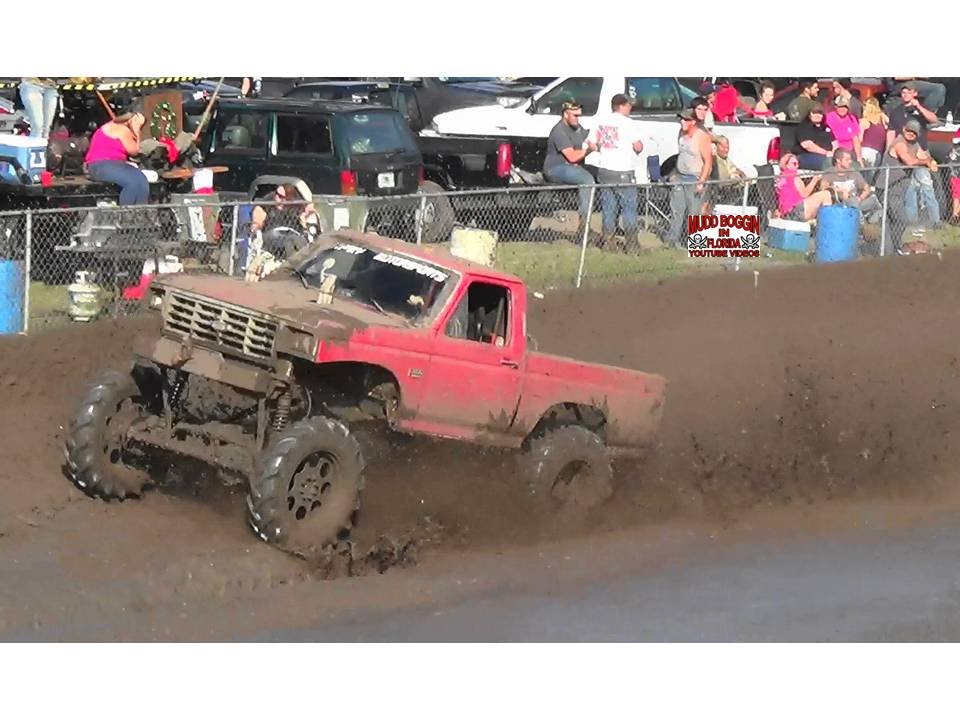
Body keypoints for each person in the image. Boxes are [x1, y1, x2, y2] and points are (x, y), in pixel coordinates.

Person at [586, 94, 644, 247]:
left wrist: (602, 149)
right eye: (629, 105)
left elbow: (591, 144)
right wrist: (638, 149)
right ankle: (632, 244)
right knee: (629, 208)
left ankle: (608, 241)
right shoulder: (628, 123)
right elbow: (638, 146)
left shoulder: (599, 121)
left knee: (608, 207)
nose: (631, 108)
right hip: (623, 170)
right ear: (621, 105)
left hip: (604, 170)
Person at [543, 100, 596, 234]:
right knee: (587, 180)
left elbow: (589, 137)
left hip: (572, 166)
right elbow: (572, 156)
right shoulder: (559, 131)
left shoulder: (577, 127)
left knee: (602, 173)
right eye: (575, 115)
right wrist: (589, 150)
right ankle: (584, 226)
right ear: (565, 114)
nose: (578, 118)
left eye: (579, 115)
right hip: (555, 168)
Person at [666, 108, 713, 247]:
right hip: (680, 176)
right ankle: (672, 240)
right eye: (681, 118)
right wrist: (674, 173)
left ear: (693, 121)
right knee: (677, 209)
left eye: (685, 119)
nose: (682, 121)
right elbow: (680, 154)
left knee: (693, 213)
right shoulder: (681, 134)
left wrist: (701, 182)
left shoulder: (702, 137)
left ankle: (692, 242)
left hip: (695, 178)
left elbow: (708, 161)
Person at [84, 111, 150, 206]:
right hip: (103, 165)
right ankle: (127, 214)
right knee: (132, 183)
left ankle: (139, 212)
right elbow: (134, 151)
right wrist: (137, 131)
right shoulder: (122, 129)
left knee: (141, 180)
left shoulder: (111, 126)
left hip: (109, 165)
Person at [888, 119, 940, 230]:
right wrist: (926, 162)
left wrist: (931, 161)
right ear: (903, 129)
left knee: (911, 196)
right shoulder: (899, 143)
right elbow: (909, 162)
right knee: (899, 207)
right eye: (909, 130)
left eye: (914, 132)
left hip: (905, 179)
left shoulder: (914, 143)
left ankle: (917, 225)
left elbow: (923, 155)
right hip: (891, 181)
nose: (911, 133)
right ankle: (907, 227)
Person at [249, 182, 321, 259]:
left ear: (291, 198)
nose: (281, 200)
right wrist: (256, 228)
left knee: (294, 242)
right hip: (271, 241)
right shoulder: (265, 205)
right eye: (279, 196)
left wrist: (307, 213)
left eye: (285, 198)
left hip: (294, 241)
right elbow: (257, 224)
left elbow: (309, 212)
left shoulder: (297, 206)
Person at [819, 148, 882, 221]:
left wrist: (860, 198)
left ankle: (859, 215)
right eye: (847, 160)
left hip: (855, 202)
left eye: (850, 159)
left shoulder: (853, 172)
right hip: (838, 205)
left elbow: (866, 188)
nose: (850, 161)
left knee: (870, 200)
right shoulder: (829, 173)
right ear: (838, 160)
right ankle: (859, 216)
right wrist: (839, 191)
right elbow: (823, 188)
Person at [776, 153, 833, 221]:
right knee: (825, 194)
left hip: (788, 213)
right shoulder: (792, 175)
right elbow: (804, 194)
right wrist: (814, 180)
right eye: (794, 163)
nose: (797, 166)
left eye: (797, 164)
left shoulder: (782, 177)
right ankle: (828, 225)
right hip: (797, 210)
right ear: (786, 165)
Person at [888, 81, 938, 151]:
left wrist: (919, 107)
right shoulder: (896, 111)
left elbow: (934, 120)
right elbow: (891, 131)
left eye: (909, 93)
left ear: (915, 94)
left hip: (920, 148)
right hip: (902, 149)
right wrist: (888, 149)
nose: (906, 95)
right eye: (903, 93)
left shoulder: (922, 108)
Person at [793, 104, 836, 170]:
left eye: (820, 113)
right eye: (814, 113)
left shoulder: (826, 127)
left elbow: (835, 142)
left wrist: (835, 153)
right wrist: (826, 153)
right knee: (828, 163)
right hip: (806, 155)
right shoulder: (803, 127)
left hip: (828, 155)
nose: (817, 115)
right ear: (809, 114)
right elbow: (807, 145)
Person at [825, 96, 862, 164]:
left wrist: (859, 157)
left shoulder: (852, 119)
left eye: (845, 107)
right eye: (840, 106)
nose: (842, 109)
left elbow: (856, 139)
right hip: (835, 153)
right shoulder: (829, 118)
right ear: (836, 107)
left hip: (849, 153)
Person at [710, 135, 746, 204]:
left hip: (734, 189)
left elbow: (736, 170)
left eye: (727, 148)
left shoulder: (726, 159)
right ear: (716, 146)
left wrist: (739, 173)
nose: (726, 150)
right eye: (723, 147)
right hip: (722, 193)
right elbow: (724, 179)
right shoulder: (715, 160)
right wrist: (736, 176)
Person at [859, 97, 889, 171]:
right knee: (872, 175)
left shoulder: (864, 121)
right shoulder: (882, 119)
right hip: (878, 151)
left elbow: (859, 139)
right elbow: (891, 125)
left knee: (863, 174)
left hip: (865, 151)